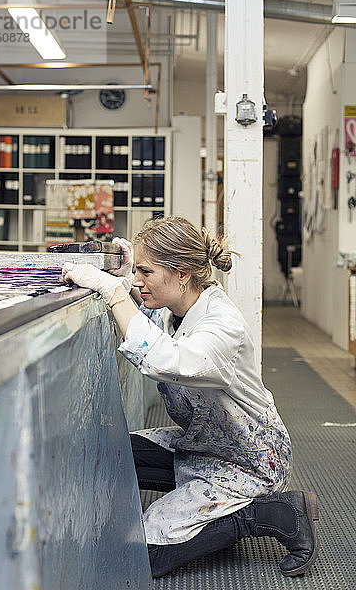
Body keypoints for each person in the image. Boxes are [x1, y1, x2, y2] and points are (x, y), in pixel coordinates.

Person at [61, 216, 319, 579]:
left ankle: (274, 512)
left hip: (248, 463)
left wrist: (114, 292)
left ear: (182, 273)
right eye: (138, 270)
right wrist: (127, 267)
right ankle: (205, 504)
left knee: (141, 554)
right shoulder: (178, 304)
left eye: (145, 272)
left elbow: (167, 359)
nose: (137, 281)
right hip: (205, 445)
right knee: (112, 448)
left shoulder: (221, 325)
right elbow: (144, 312)